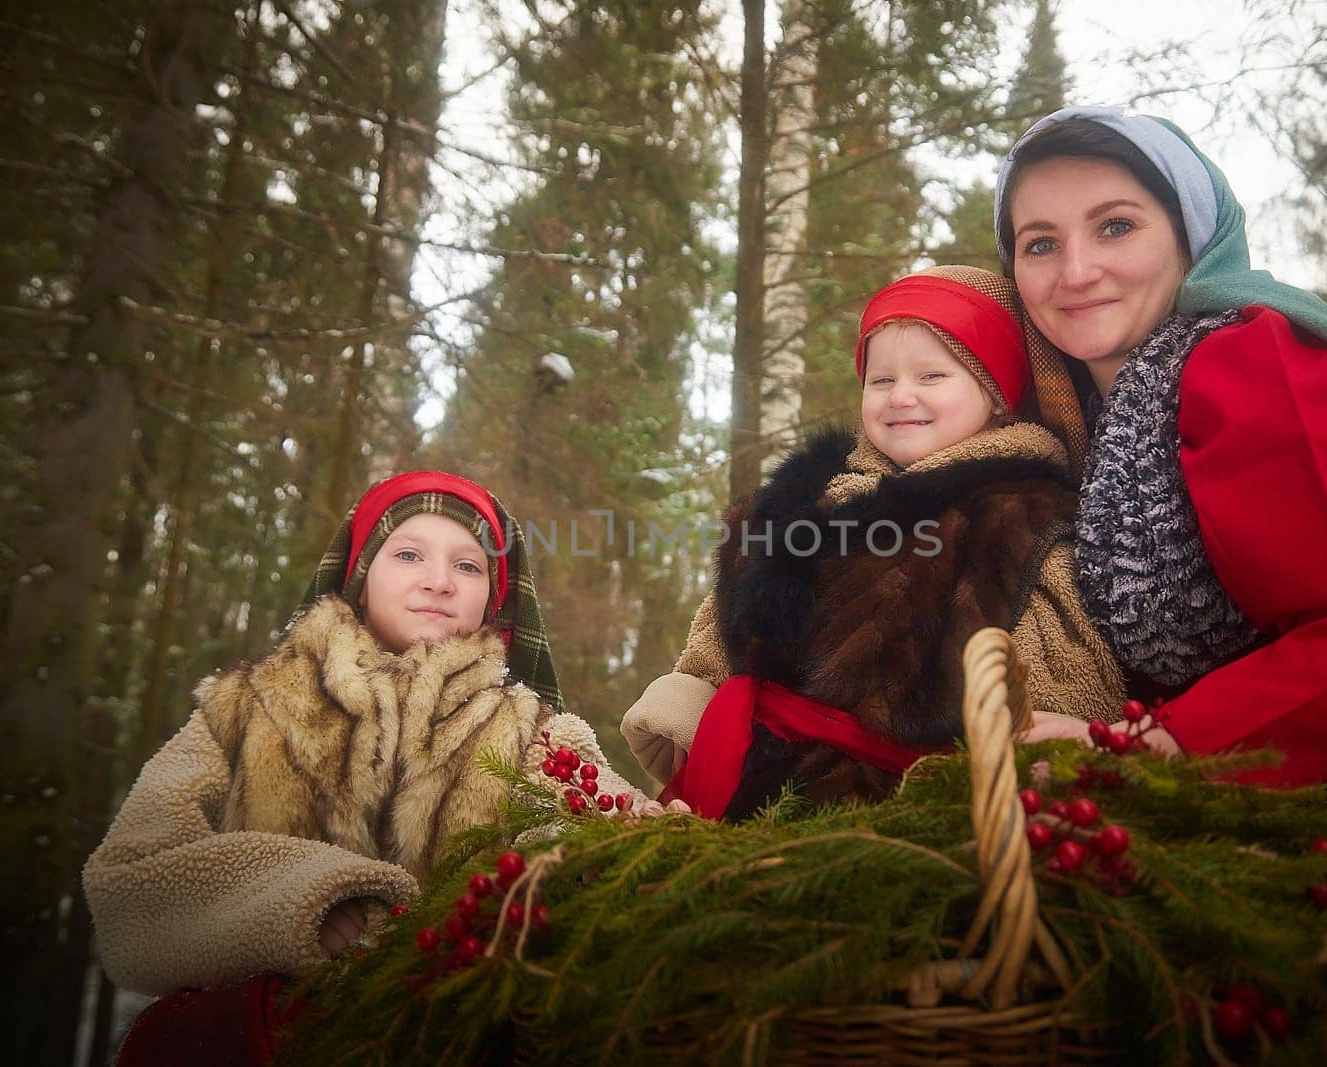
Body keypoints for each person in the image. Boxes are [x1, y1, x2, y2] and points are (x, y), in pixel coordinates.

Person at [993, 106, 1327, 836]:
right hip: (1193, 816)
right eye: (1040, 243)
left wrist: (1152, 750)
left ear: (1190, 235)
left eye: (1116, 226)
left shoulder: (1254, 360)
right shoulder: (1078, 428)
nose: (1077, 271)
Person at [84, 471, 635, 1062]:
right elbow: (130, 881)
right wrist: (298, 899)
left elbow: (601, 843)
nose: (439, 582)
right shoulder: (245, 710)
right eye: (408, 554)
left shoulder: (533, 734)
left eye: (469, 566)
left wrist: (646, 834)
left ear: (494, 601)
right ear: (360, 577)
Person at [622, 266, 1124, 821]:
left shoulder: (1020, 520)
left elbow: (1059, 663)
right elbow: (729, 621)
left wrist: (1040, 747)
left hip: (905, 806)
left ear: (997, 395)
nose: (900, 396)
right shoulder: (806, 496)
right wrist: (691, 694)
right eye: (881, 380)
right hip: (749, 779)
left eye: (932, 376)